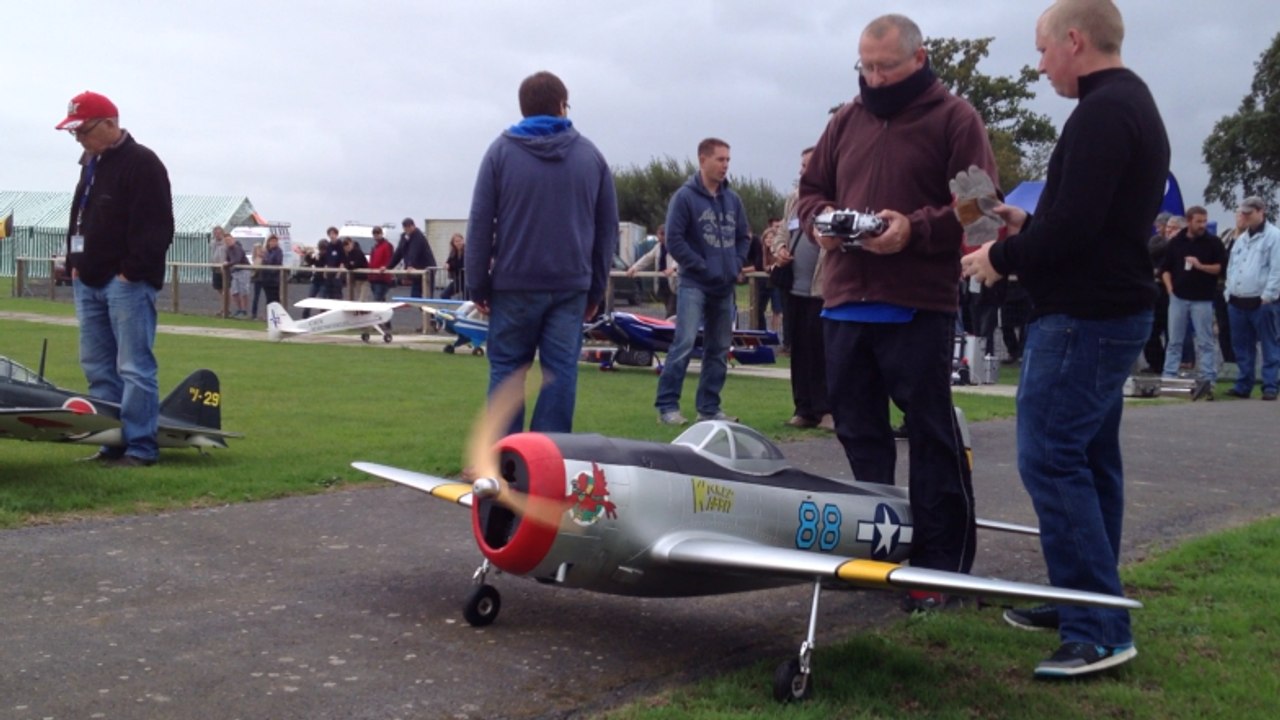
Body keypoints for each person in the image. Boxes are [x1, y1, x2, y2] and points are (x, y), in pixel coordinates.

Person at [961, 0, 1170, 678]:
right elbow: (1088, 217)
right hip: (1105, 310)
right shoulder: (1125, 103)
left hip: (1085, 316)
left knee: (1051, 459)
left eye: (1044, 49)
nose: (1041, 62)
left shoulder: (1104, 113)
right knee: (1090, 461)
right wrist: (1029, 219)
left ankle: (1098, 626)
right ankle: (1081, 595)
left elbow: (1078, 229)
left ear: (1074, 41)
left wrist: (999, 257)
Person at [794, 14, 990, 599]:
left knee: (930, 434)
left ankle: (938, 569)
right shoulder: (845, 121)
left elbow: (980, 205)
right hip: (846, 301)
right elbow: (809, 192)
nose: (875, 78)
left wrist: (916, 229)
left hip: (918, 304)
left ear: (919, 58)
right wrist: (821, 224)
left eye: (886, 66)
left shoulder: (957, 118)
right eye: (866, 67)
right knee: (858, 432)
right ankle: (869, 550)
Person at [465, 70, 618, 435]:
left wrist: (477, 285)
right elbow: (607, 230)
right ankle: (549, 461)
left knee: (507, 370)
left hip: (514, 282)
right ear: (562, 105)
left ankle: (504, 463)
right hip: (570, 286)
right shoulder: (591, 156)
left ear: (523, 109)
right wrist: (596, 288)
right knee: (559, 373)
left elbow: (480, 222)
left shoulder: (500, 152)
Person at [56, 90, 174, 468]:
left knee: (134, 366)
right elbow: (81, 215)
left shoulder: (143, 163)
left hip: (125, 283)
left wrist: (130, 273)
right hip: (87, 279)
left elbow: (157, 227)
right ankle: (111, 439)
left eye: (84, 130)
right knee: (97, 366)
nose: (79, 139)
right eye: (73, 133)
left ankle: (141, 445)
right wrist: (74, 261)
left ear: (110, 124)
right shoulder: (91, 163)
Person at [654, 138, 750, 426]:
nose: (725, 166)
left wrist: (735, 263)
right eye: (720, 159)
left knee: (719, 348)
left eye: (728, 160)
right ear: (702, 159)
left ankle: (709, 407)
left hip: (724, 285)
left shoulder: (733, 200)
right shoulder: (684, 198)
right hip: (694, 283)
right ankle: (667, 406)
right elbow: (674, 240)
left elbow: (745, 236)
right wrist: (702, 265)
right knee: (683, 343)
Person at [774, 147, 832, 430]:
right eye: (801, 165)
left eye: (807, 165)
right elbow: (783, 231)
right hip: (794, 288)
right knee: (798, 351)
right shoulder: (794, 200)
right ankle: (803, 408)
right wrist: (781, 248)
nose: (801, 171)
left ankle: (826, 410)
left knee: (822, 351)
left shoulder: (834, 200)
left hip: (822, 289)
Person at [1159, 206, 1226, 399]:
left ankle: (1208, 378)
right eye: (1198, 221)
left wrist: (1200, 266)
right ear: (1189, 221)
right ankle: (1169, 376)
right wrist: (1170, 289)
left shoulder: (1213, 242)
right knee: (1174, 339)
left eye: (1204, 221)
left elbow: (1220, 268)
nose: (1202, 225)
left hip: (1203, 298)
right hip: (1178, 297)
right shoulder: (1176, 242)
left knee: (1205, 341)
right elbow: (1165, 268)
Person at [1223, 196, 1280, 400]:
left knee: (1269, 344)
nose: (1245, 216)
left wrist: (1268, 296)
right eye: (1243, 213)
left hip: (1262, 301)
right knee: (1242, 345)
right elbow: (1232, 267)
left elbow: (1277, 268)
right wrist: (1228, 292)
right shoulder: (1241, 239)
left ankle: (1271, 385)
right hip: (1238, 300)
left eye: (1249, 213)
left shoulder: (1274, 237)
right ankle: (1244, 383)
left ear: (1260, 211)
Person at [625, 224, 679, 318]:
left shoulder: (675, 246)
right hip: (663, 283)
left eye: (662, 234)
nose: (660, 237)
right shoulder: (658, 247)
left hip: (674, 284)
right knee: (669, 309)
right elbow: (647, 258)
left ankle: (669, 330)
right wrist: (634, 268)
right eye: (659, 234)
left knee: (671, 312)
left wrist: (673, 268)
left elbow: (679, 259)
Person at [391, 218, 435, 298]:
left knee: (427, 296)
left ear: (413, 226)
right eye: (405, 228)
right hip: (416, 272)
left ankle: (427, 310)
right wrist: (389, 266)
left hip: (427, 270)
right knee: (415, 296)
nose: (407, 229)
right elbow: (398, 253)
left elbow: (414, 251)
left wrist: (410, 264)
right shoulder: (404, 237)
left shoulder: (418, 236)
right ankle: (422, 309)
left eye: (409, 227)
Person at [223, 232, 250, 317]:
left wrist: (227, 264)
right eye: (226, 240)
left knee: (243, 291)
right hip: (234, 272)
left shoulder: (237, 248)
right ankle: (239, 309)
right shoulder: (228, 249)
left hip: (243, 271)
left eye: (229, 240)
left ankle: (244, 310)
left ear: (233, 239)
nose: (228, 242)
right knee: (234, 292)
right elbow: (228, 259)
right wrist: (226, 263)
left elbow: (236, 260)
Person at [367, 226, 395, 302]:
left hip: (382, 278)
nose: (376, 236)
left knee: (377, 299)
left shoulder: (387, 246)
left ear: (382, 234)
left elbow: (390, 259)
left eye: (378, 233)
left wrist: (386, 267)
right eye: (374, 234)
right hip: (373, 277)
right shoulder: (374, 247)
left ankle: (378, 314)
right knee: (379, 299)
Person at [260, 234, 283, 311]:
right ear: (268, 242)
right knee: (268, 298)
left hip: (274, 279)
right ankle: (269, 314)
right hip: (266, 279)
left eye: (275, 241)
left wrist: (268, 267)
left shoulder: (278, 251)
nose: (273, 243)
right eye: (272, 241)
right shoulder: (267, 252)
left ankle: (277, 314)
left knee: (275, 298)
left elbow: (277, 263)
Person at [442, 233, 465, 299]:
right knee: (444, 295)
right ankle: (448, 309)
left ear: (463, 241)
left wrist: (450, 265)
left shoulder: (467, 250)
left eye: (460, 241)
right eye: (456, 241)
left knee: (466, 300)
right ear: (453, 243)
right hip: (458, 279)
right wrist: (446, 264)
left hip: (467, 280)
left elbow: (462, 264)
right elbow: (449, 261)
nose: (458, 243)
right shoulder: (453, 252)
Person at [249, 243, 266, 318]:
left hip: (265, 278)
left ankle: (267, 314)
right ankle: (254, 313)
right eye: (256, 250)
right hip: (257, 278)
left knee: (267, 297)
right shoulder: (255, 259)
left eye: (259, 249)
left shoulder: (265, 258)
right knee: (256, 296)